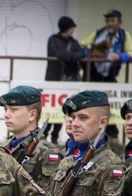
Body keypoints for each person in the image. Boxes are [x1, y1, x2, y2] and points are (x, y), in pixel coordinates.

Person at [45, 16, 84, 144]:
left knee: (63, 109)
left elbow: (81, 53)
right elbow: (55, 52)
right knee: (50, 110)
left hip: (67, 81)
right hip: (54, 79)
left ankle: (55, 137)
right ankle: (44, 135)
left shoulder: (73, 42)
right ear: (68, 28)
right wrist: (71, 57)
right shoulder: (53, 40)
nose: (73, 30)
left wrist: (67, 56)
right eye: (72, 27)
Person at [81, 9, 132, 83]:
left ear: (119, 23)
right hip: (94, 73)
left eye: (112, 21)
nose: (109, 24)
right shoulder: (98, 33)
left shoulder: (124, 35)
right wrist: (91, 53)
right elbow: (83, 45)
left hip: (111, 73)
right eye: (107, 21)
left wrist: (119, 56)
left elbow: (130, 53)